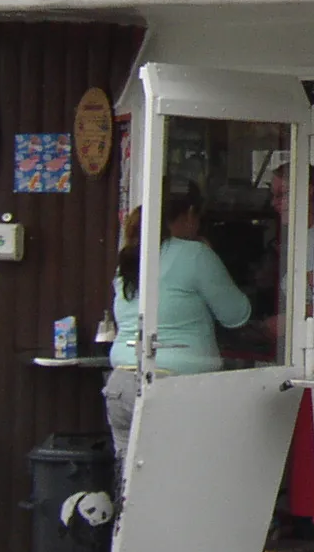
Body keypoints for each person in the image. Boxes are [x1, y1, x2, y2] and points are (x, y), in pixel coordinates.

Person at [103, 183, 254, 462]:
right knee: (178, 477)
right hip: (174, 385)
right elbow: (236, 314)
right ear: (189, 215)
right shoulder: (195, 254)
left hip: (121, 382)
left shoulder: (131, 258)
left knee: (130, 482)